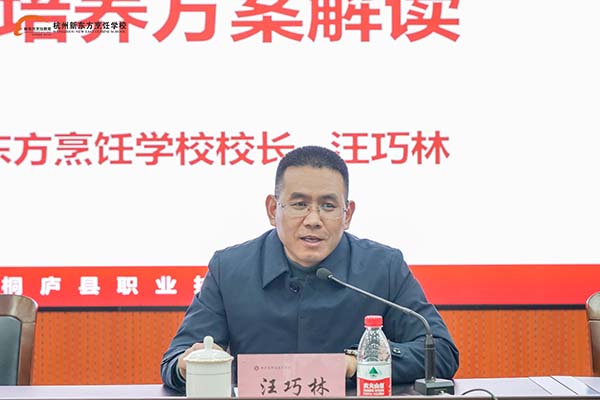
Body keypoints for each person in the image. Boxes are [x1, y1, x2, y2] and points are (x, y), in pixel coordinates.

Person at [161, 145, 459, 392]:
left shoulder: (383, 266)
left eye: (328, 206)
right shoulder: (229, 269)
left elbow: (441, 352)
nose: (313, 220)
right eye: (299, 204)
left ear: (347, 214)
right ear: (273, 209)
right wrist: (188, 365)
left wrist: (358, 361)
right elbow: (174, 362)